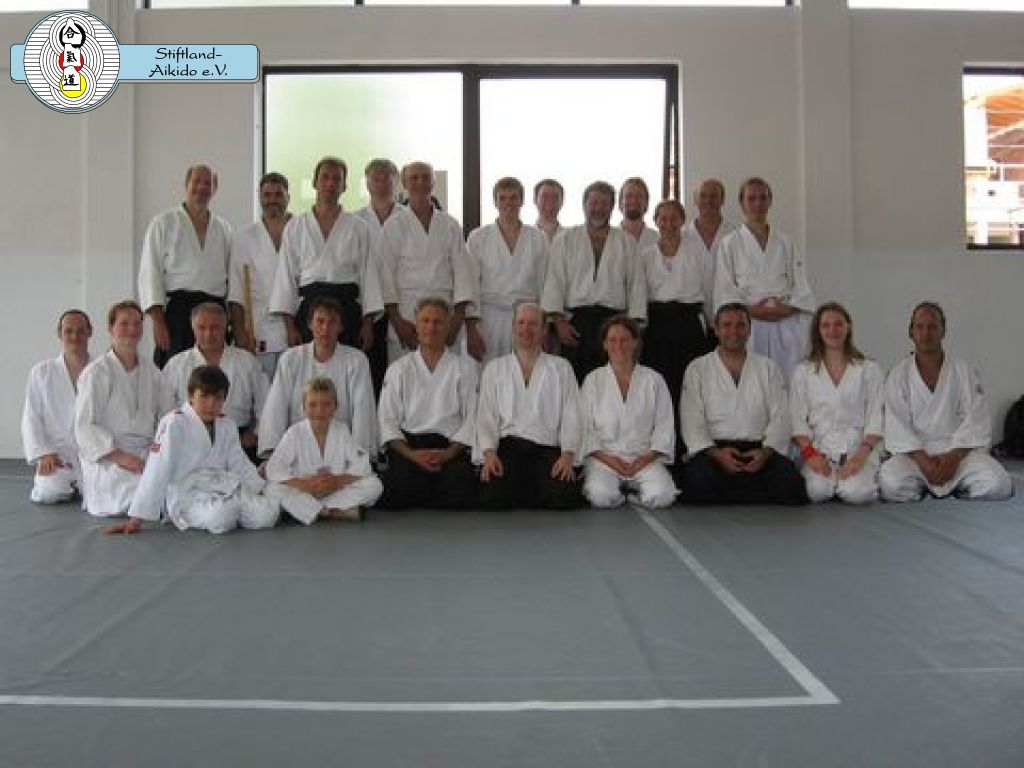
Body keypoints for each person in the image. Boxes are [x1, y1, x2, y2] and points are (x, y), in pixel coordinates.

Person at [106, 366, 278, 535]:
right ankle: (229, 510)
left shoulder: (227, 425)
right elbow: (157, 468)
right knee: (221, 517)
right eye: (204, 396)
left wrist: (258, 486)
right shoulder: (174, 424)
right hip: (187, 494)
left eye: (218, 398)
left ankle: (233, 508)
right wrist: (136, 519)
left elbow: (239, 462)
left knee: (267, 515)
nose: (211, 404)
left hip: (224, 486)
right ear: (190, 396)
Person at [880, 302, 1012, 502]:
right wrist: (924, 461)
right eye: (919, 327)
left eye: (932, 326)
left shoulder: (963, 370)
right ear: (911, 332)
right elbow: (896, 425)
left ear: (943, 331)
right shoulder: (898, 374)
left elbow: (976, 419)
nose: (926, 333)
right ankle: (937, 486)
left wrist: (953, 458)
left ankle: (951, 486)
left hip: (958, 452)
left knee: (998, 483)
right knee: (890, 483)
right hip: (915, 455)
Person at [678, 303, 807, 505]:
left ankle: (738, 491)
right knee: (698, 482)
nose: (734, 331)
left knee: (790, 484)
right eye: (727, 325)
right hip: (715, 451)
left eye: (740, 325)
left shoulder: (768, 368)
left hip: (759, 451)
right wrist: (717, 454)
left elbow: (781, 416)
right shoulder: (698, 368)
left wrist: (764, 453)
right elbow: (691, 419)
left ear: (749, 330)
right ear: (716, 330)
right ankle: (750, 491)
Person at [476, 302, 583, 509]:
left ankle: (531, 489)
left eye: (533, 324)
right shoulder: (495, 368)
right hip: (509, 446)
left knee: (563, 497)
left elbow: (572, 414)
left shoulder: (561, 367)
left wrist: (567, 454)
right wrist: (489, 453)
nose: (526, 329)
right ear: (513, 327)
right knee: (491, 496)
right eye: (521, 323)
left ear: (544, 330)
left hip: (546, 447)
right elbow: (486, 416)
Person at [270, 156, 381, 353]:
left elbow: (369, 277)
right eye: (325, 177)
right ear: (315, 183)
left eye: (337, 179)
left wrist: (367, 324)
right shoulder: (296, 226)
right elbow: (286, 278)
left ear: (344, 186)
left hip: (347, 309)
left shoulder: (359, 227)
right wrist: (290, 326)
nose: (330, 183)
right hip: (310, 309)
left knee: (347, 365)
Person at [75, 300, 175, 518]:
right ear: (111, 328)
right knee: (142, 493)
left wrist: (158, 450)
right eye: (124, 323)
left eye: (137, 324)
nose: (132, 330)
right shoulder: (96, 373)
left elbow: (168, 419)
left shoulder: (154, 374)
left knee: (175, 485)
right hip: (109, 457)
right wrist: (120, 457)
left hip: (146, 453)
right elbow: (84, 425)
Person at [377, 298, 479, 509]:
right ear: (416, 324)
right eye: (425, 321)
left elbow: (472, 418)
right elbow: (386, 420)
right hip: (409, 447)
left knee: (460, 490)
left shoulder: (465, 369)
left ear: (448, 326)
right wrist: (412, 455)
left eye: (438, 322)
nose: (431, 327)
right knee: (398, 489)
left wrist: (448, 454)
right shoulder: (399, 368)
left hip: (449, 447)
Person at [542, 180, 646, 383]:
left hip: (614, 324)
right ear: (584, 205)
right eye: (593, 202)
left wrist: (633, 330)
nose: (598, 208)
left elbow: (637, 287)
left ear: (613, 206)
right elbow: (554, 280)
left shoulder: (626, 242)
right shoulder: (565, 239)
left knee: (612, 381)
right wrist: (559, 322)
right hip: (576, 323)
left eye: (604, 203)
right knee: (574, 382)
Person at [714, 177, 815, 379]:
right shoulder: (729, 243)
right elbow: (724, 289)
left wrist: (787, 309)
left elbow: (801, 285)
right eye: (751, 198)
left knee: (788, 378)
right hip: (749, 323)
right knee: (753, 379)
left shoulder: (786, 242)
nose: (757, 203)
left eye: (763, 198)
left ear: (770, 201)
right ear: (742, 203)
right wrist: (751, 310)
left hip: (785, 320)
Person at [378, 161, 478, 363]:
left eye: (425, 178)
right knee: (406, 373)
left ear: (433, 182)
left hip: (444, 314)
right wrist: (397, 322)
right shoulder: (393, 225)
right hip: (407, 315)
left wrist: (456, 320)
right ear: (404, 184)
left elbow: (462, 274)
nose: (420, 182)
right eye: (414, 178)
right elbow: (385, 275)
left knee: (446, 374)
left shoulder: (450, 225)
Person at [257, 296, 377, 458]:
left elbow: (363, 410)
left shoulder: (356, 360)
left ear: (341, 326)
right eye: (320, 321)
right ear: (310, 324)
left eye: (332, 322)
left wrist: (359, 456)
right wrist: (274, 452)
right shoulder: (291, 359)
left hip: (342, 449)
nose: (325, 328)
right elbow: (276, 407)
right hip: (298, 448)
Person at [638, 199, 711, 459]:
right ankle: (660, 449)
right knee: (659, 387)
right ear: (656, 221)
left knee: (689, 387)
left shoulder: (697, 253)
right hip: (657, 326)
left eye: (673, 218)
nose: (668, 224)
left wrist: (713, 326)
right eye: (663, 218)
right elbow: (639, 294)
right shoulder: (645, 255)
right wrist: (639, 330)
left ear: (682, 221)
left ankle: (689, 448)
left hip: (688, 325)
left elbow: (709, 292)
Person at [580, 315, 678, 509]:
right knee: (600, 497)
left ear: (635, 343)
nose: (619, 345)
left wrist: (644, 460)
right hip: (605, 458)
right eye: (612, 340)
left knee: (663, 496)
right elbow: (585, 428)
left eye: (624, 340)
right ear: (604, 344)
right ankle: (620, 493)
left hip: (644, 457)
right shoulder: (593, 380)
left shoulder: (654, 380)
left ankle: (634, 493)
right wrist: (610, 460)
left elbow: (664, 426)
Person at [790, 302, 884, 504]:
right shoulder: (803, 371)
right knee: (815, 492)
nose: (833, 330)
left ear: (848, 327)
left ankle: (855, 481)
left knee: (857, 494)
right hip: (819, 452)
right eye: (826, 325)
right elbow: (797, 420)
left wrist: (859, 458)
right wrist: (811, 456)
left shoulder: (869, 369)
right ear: (818, 331)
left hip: (858, 451)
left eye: (839, 324)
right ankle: (833, 483)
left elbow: (877, 417)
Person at [138, 164, 231, 368]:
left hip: (214, 309)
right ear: (186, 184)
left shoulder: (224, 228)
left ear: (215, 188)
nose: (202, 187)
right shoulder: (164, 222)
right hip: (179, 312)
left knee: (214, 369)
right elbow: (150, 272)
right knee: (175, 369)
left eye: (208, 183)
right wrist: (158, 322)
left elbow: (231, 277)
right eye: (196, 181)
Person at [266, 377, 383, 524]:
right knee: (272, 489)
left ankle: (308, 511)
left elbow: (362, 466)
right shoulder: (294, 433)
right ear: (304, 406)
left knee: (374, 485)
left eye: (326, 404)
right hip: (305, 490)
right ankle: (331, 512)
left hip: (333, 490)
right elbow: (274, 469)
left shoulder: (341, 430)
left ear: (336, 406)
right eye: (313, 404)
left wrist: (336, 482)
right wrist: (306, 485)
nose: (319, 411)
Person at [162, 302, 269, 460]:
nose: (208, 334)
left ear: (226, 327)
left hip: (239, 442)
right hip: (188, 443)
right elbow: (165, 410)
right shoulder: (176, 365)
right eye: (202, 328)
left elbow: (266, 404)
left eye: (215, 327)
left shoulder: (247, 361)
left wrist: (255, 434)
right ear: (192, 328)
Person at [467, 177, 550, 363]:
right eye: (502, 198)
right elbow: (471, 285)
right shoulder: (478, 238)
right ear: (495, 202)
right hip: (489, 319)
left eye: (513, 197)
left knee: (525, 368)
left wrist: (544, 327)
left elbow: (544, 285)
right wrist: (471, 327)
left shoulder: (538, 238)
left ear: (522, 201)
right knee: (487, 371)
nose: (508, 203)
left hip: (527, 319)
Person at [21, 309, 92, 503]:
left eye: (80, 330)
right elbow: (31, 417)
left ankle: (83, 485)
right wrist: (43, 453)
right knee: (50, 492)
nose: (75, 336)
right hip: (57, 454)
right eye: (68, 331)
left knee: (107, 494)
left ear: (90, 332)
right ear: (59, 334)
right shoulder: (42, 372)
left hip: (93, 453)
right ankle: (72, 485)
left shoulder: (100, 370)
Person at [228, 171, 291, 380]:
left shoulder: (297, 231)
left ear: (288, 198)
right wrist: (240, 333)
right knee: (260, 389)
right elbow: (236, 290)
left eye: (278, 194)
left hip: (293, 327)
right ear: (260, 197)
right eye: (267, 195)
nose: (273, 200)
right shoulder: (243, 236)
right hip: (257, 329)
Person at [354, 158, 401, 396]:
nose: (381, 184)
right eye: (376, 179)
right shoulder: (355, 220)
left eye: (387, 179)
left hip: (403, 305)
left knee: (400, 371)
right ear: (367, 183)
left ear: (397, 183)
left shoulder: (407, 217)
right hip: (368, 308)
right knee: (373, 371)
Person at [681, 178, 737, 329]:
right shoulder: (682, 236)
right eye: (703, 196)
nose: (708, 201)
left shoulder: (735, 235)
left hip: (729, 317)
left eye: (713, 196)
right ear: (695, 200)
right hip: (693, 317)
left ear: (722, 200)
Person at [618, 177, 658, 251]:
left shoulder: (657, 240)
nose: (634, 200)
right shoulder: (608, 240)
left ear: (646, 203)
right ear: (620, 202)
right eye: (629, 196)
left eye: (639, 196)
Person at [534, 178, 565, 243]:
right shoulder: (525, 237)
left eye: (555, 197)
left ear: (562, 202)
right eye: (545, 196)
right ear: (535, 200)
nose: (550, 201)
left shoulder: (571, 238)